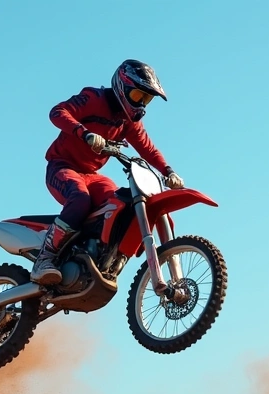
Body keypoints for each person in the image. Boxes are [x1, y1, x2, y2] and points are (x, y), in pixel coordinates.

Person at [31, 59, 185, 285]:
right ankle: (45, 259)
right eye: (137, 96)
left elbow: (147, 148)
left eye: (146, 99)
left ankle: (105, 255)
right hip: (62, 166)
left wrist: (168, 171)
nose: (141, 104)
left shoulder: (128, 123)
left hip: (92, 175)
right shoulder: (94, 99)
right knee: (80, 199)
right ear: (122, 87)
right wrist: (84, 133)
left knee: (120, 204)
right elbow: (58, 112)